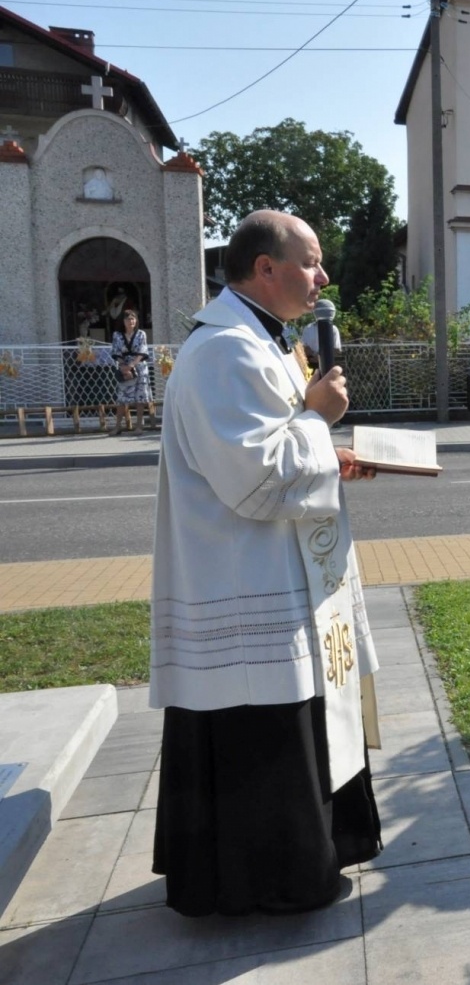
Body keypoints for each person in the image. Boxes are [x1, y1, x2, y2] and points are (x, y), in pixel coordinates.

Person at [149, 210, 382, 916]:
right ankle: (272, 881)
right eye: (311, 262)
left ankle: (306, 856)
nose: (323, 277)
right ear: (264, 269)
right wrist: (319, 422)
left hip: (277, 573)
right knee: (263, 738)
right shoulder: (224, 351)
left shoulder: (262, 340)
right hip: (245, 582)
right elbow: (255, 476)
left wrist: (331, 459)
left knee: (295, 725)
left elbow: (278, 447)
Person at [110, 308, 152, 433]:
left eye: (133, 319)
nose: (131, 321)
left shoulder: (141, 334)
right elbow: (116, 352)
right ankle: (118, 426)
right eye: (128, 319)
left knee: (140, 397)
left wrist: (132, 365)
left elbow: (142, 351)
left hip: (139, 366)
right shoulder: (117, 335)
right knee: (122, 398)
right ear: (123, 321)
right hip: (124, 367)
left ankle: (139, 425)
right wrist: (124, 366)